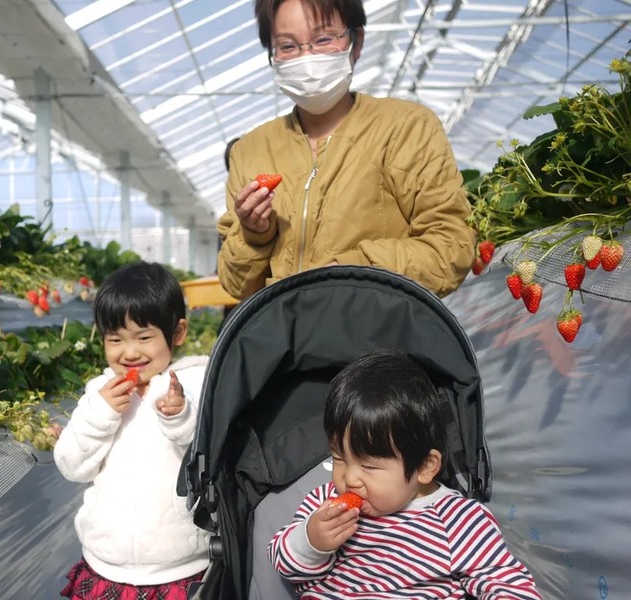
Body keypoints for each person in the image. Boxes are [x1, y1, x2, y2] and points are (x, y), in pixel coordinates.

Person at [217, 0, 476, 300]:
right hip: (289, 341)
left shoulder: (406, 128)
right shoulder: (251, 149)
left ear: (356, 41)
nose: (306, 57)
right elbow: (236, 285)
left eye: (323, 39)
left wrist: (350, 272)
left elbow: (451, 248)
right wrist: (254, 234)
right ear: (272, 55)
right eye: (287, 46)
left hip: (384, 340)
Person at [268, 349, 542, 599]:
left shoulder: (458, 521)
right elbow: (285, 564)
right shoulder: (324, 503)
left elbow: (508, 585)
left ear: (425, 467)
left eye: (369, 466)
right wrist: (312, 541)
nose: (349, 478)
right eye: (339, 458)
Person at [54, 261, 210, 600]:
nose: (130, 352)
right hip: (107, 564)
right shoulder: (99, 392)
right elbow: (71, 466)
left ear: (177, 333)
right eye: (116, 339)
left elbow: (208, 446)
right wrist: (101, 414)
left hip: (180, 565)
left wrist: (180, 414)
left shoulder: (192, 383)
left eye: (144, 337)